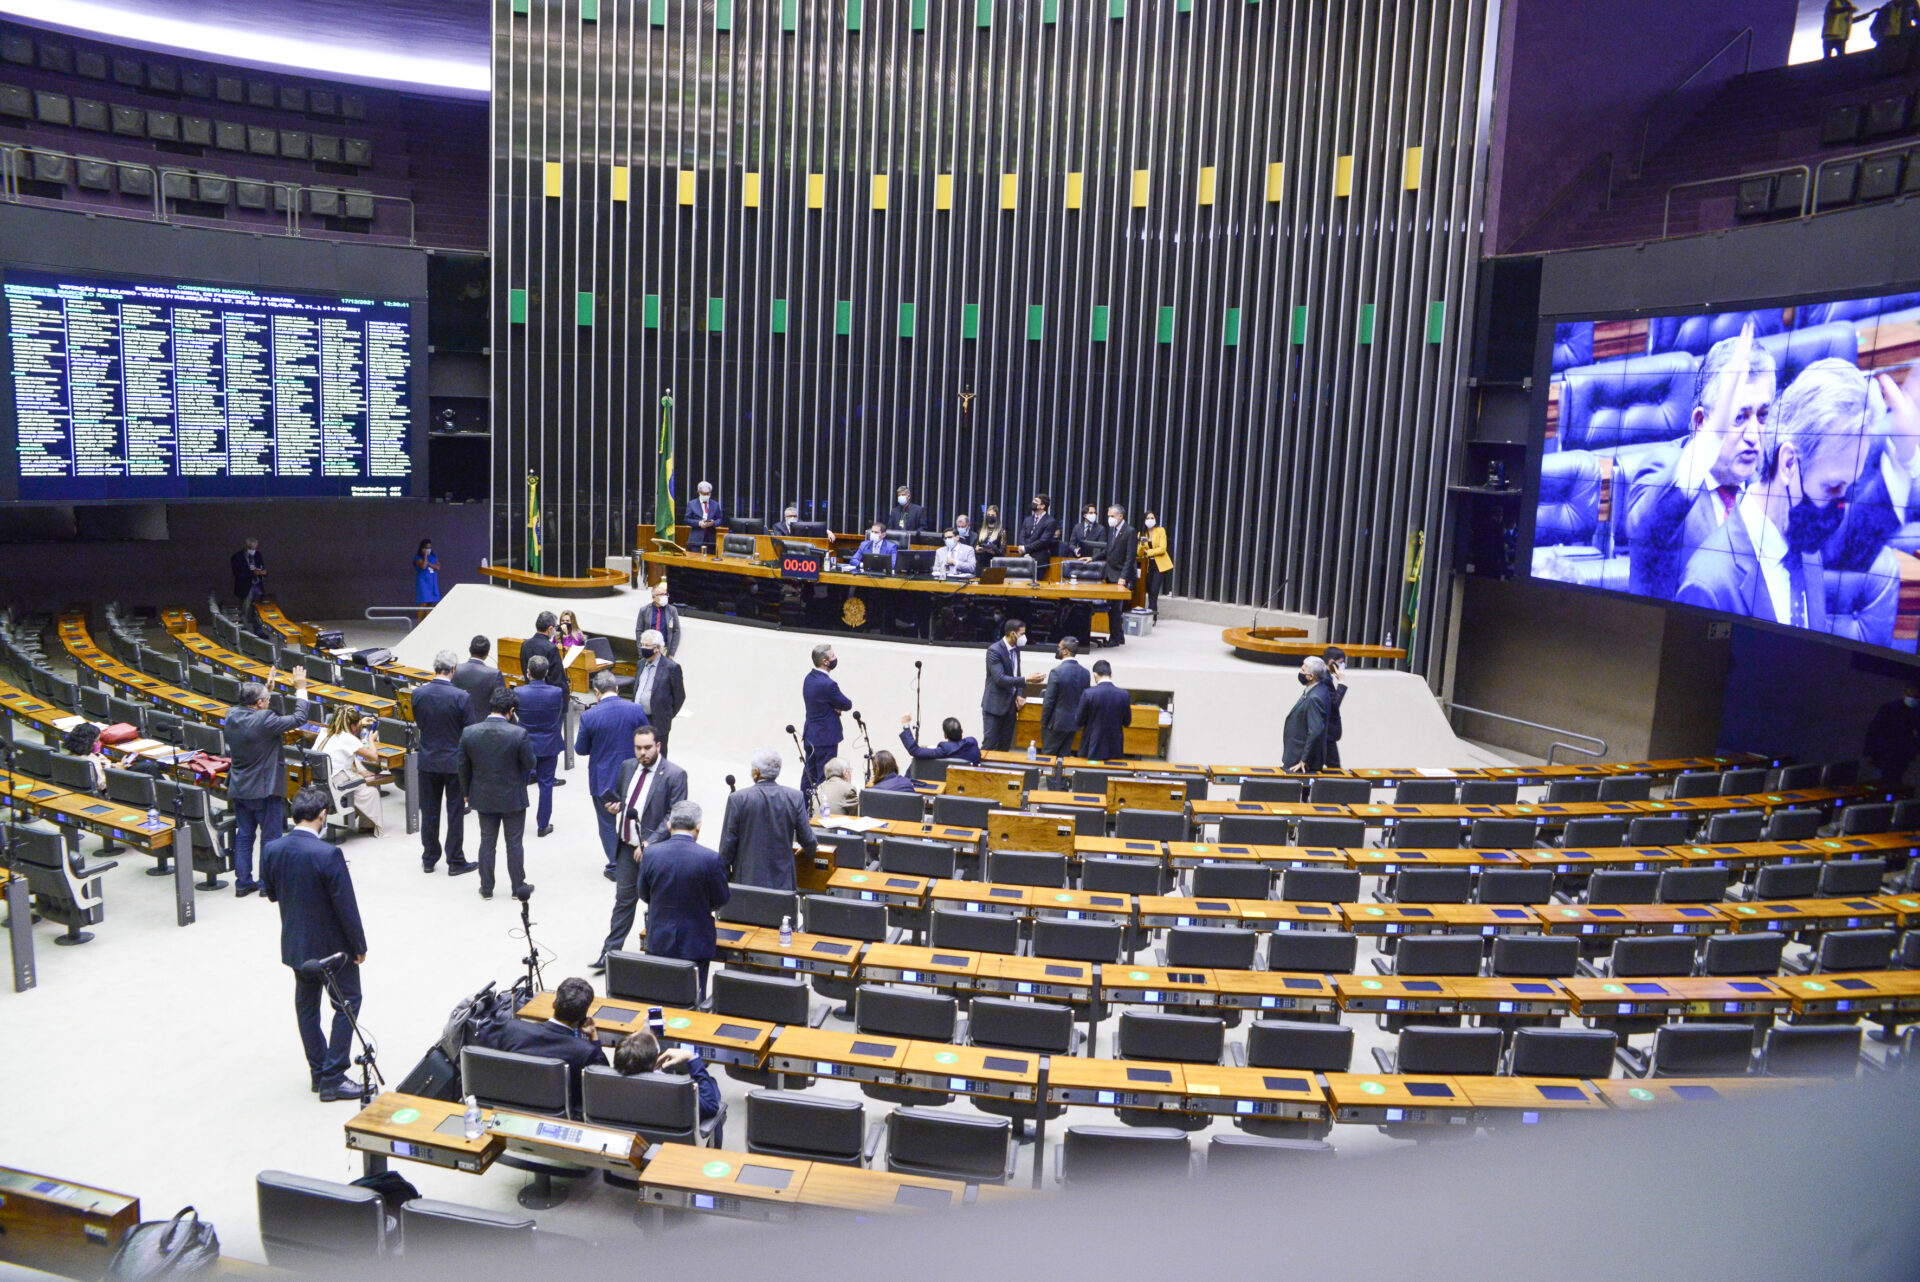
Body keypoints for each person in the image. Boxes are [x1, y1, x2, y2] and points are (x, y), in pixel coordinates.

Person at [1677, 358, 1896, 646]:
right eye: (1832, 488)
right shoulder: (1709, 584)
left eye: (1848, 490)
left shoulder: (1807, 551)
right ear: (1789, 463)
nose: (1839, 507)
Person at [1625, 328, 1777, 600]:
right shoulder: (1663, 469)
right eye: (1738, 417)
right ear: (1700, 422)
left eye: (1763, 416)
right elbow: (1646, 524)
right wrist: (1711, 440)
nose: (1754, 436)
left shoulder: (1766, 489)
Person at [260, 785, 367, 1102]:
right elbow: (346, 907)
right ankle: (334, 1076)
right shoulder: (329, 854)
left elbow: (272, 893)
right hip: (333, 949)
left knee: (307, 1009)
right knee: (347, 1003)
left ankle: (318, 1072)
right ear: (322, 816)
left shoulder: (272, 849)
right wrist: (359, 946)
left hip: (296, 944)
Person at [597, 725, 691, 966]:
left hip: (656, 852)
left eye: (648, 747)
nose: (643, 753)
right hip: (627, 847)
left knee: (660, 904)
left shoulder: (675, 775)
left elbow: (675, 815)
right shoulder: (628, 766)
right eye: (638, 748)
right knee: (623, 900)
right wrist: (614, 807)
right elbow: (623, 798)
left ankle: (659, 956)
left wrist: (650, 843)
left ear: (658, 746)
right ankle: (609, 953)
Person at [629, 799, 728, 1001]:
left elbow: (644, 894)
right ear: (699, 827)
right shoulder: (710, 859)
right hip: (696, 940)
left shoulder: (651, 854)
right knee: (693, 998)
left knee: (658, 995)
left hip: (659, 937)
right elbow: (721, 899)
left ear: (668, 825)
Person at [224, 667, 310, 897]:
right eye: (267, 700)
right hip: (265, 789)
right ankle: (266, 885)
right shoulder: (265, 720)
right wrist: (301, 688)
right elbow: (299, 718)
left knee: (244, 837)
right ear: (260, 703)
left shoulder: (231, 714)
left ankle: (242, 884)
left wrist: (266, 690)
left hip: (240, 786)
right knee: (270, 839)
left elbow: (258, 715)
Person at [458, 686, 536, 901]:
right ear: (511, 710)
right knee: (514, 843)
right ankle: (517, 887)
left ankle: (486, 888)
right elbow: (530, 763)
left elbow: (463, 766)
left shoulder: (470, 732)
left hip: (483, 795)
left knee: (487, 842)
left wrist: (466, 793)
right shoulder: (519, 733)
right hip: (513, 797)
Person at [491, 976, 605, 1118]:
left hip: (512, 1108)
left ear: (553, 1004)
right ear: (583, 1017)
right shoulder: (586, 1052)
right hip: (557, 1117)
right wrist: (594, 1037)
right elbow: (603, 1080)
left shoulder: (511, 1030)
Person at [577, 670, 652, 875]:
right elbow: (647, 739)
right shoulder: (635, 710)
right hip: (634, 777)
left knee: (607, 823)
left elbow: (581, 749)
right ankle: (640, 858)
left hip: (603, 779)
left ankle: (616, 865)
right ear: (617, 688)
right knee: (638, 819)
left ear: (596, 692)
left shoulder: (589, 716)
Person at [412, 650, 476, 876]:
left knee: (429, 811)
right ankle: (455, 859)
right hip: (454, 762)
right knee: (455, 811)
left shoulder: (418, 693)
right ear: (453, 669)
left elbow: (420, 723)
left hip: (428, 760)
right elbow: (469, 732)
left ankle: (429, 858)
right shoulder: (462, 697)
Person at [718, 748, 817, 891]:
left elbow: (727, 846)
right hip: (783, 882)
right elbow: (808, 840)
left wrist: (725, 875)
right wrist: (810, 852)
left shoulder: (738, 799)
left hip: (746, 881)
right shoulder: (795, 797)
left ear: (755, 772)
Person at [613, 1030, 722, 1139]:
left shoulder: (607, 1085)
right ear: (656, 1062)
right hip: (668, 1148)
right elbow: (711, 1106)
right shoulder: (676, 1090)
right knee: (711, 1084)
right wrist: (692, 1058)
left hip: (634, 1144)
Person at [513, 654, 568, 838]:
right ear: (546, 672)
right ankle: (543, 825)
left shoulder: (519, 692)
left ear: (528, 672)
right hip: (549, 743)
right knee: (546, 785)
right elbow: (558, 714)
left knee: (520, 784)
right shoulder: (556, 692)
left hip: (525, 744)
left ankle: (516, 823)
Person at [316, 707, 385, 837]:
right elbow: (373, 756)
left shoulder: (324, 732)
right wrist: (371, 740)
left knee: (360, 772)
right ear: (352, 725)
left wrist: (359, 722)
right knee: (372, 787)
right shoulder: (348, 738)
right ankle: (367, 827)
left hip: (321, 783)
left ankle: (359, 823)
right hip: (336, 786)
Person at [802, 644, 851, 789]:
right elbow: (847, 704)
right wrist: (835, 707)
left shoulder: (809, 678)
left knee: (809, 776)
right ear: (825, 661)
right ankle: (821, 809)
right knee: (825, 777)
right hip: (825, 738)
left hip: (811, 734)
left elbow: (819, 703)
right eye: (833, 656)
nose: (835, 658)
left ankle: (805, 807)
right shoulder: (829, 684)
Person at [634, 627, 686, 755]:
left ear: (657, 648)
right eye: (642, 645)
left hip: (657, 721)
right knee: (639, 754)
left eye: (647, 645)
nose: (643, 648)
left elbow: (679, 696)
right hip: (638, 718)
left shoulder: (671, 668)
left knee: (657, 756)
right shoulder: (640, 664)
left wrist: (666, 715)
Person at [980, 617, 1027, 752]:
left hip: (1010, 707)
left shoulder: (1016, 649)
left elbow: (1016, 673)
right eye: (1022, 634)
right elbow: (1000, 679)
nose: (1024, 637)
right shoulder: (994, 650)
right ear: (1013, 634)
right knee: (989, 745)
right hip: (994, 707)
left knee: (1004, 747)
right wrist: (1026, 680)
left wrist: (1019, 694)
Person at [1040, 637, 1090, 756]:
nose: (1057, 650)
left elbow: (1049, 701)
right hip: (1074, 723)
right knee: (1064, 757)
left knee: (1048, 756)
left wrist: (1044, 722)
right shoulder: (1085, 673)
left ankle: (1048, 776)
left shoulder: (1057, 672)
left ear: (1065, 651)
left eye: (1058, 647)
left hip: (1056, 723)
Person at [1282, 657, 1331, 773]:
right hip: (1297, 755)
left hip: (1301, 762)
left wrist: (1304, 760)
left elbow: (1315, 731)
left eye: (1303, 670)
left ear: (1311, 677)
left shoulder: (1314, 698)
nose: (1300, 672)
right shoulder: (1320, 688)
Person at [1100, 504, 1140, 645]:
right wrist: (1092, 558)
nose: (1109, 518)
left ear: (1120, 516)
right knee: (1112, 608)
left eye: (1112, 516)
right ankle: (1119, 636)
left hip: (1120, 576)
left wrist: (1123, 577)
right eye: (1108, 516)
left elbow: (1130, 558)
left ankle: (1115, 639)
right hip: (1110, 574)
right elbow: (1107, 552)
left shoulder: (1129, 531)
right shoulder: (1112, 530)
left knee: (1115, 609)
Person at [1076, 660, 1131, 761]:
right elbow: (1127, 722)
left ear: (1095, 675)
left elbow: (1079, 721)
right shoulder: (1124, 694)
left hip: (1092, 744)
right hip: (1115, 745)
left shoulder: (1088, 693)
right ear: (1111, 674)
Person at [1865, 685, 1920, 784]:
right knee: (1884, 780)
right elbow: (1874, 730)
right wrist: (1870, 752)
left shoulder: (1915, 712)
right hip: (1885, 751)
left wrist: (1914, 751)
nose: (1914, 699)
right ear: (1904, 694)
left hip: (1901, 754)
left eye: (1916, 697)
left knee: (1894, 780)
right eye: (1912, 695)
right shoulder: (1889, 708)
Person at [452, 635, 506, 725]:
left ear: (469, 649)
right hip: (483, 727)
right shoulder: (494, 674)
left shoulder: (455, 669)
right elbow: (502, 702)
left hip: (457, 724)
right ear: (487, 653)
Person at [900, 714, 982, 766]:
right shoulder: (972, 743)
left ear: (945, 735)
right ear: (962, 731)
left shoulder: (944, 750)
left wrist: (906, 725)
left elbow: (915, 751)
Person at [1315, 646, 1349, 769]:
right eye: (1340, 663)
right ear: (1331, 663)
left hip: (1326, 734)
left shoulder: (1326, 677)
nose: (1342, 667)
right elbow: (1333, 705)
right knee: (1335, 769)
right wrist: (1342, 683)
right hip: (1326, 734)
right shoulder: (1324, 680)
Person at [523, 611, 570, 693]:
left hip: (529, 690)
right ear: (550, 629)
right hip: (548, 694)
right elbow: (557, 680)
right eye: (555, 627)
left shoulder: (525, 644)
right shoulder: (551, 648)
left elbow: (524, 669)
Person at [636, 579, 683, 657]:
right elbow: (639, 631)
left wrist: (671, 653)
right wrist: (641, 653)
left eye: (666, 594)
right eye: (661, 595)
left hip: (664, 649)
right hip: (649, 648)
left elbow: (676, 631)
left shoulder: (672, 610)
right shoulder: (644, 610)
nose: (664, 597)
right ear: (654, 597)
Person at [231, 536, 267, 634]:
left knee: (258, 611)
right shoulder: (237, 557)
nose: (254, 550)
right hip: (245, 587)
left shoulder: (258, 555)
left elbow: (262, 567)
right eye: (252, 548)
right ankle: (246, 633)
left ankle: (259, 631)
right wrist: (252, 573)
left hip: (257, 586)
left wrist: (263, 572)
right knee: (245, 611)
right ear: (247, 547)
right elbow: (237, 573)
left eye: (255, 548)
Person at [1142, 512, 1172, 618]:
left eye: (1152, 518)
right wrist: (1141, 546)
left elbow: (1162, 548)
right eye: (1148, 518)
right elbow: (1139, 552)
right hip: (1147, 565)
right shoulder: (1142, 534)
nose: (1150, 520)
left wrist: (1149, 552)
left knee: (1154, 591)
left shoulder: (1160, 530)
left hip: (1159, 565)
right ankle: (1150, 614)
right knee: (1149, 591)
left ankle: (1152, 617)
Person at [1017, 495, 1056, 570]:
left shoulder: (1050, 522)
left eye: (1036, 501)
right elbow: (1022, 536)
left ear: (1042, 506)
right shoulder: (1027, 520)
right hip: (1024, 557)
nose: (1033, 503)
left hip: (1039, 559)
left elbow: (1043, 541)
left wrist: (1026, 548)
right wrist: (1026, 553)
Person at [687, 481, 723, 552]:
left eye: (708, 493)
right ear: (699, 492)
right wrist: (698, 523)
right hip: (696, 540)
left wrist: (713, 523)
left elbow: (720, 519)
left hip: (711, 540)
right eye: (704, 494)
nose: (706, 495)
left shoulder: (715, 504)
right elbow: (687, 519)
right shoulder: (692, 504)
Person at [413, 538, 440, 606]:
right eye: (426, 548)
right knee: (423, 602)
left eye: (429, 547)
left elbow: (438, 567)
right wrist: (425, 556)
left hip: (432, 581)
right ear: (422, 548)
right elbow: (423, 566)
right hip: (423, 581)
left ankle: (427, 616)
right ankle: (420, 617)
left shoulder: (433, 556)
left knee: (430, 602)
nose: (428, 549)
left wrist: (429, 563)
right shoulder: (418, 558)